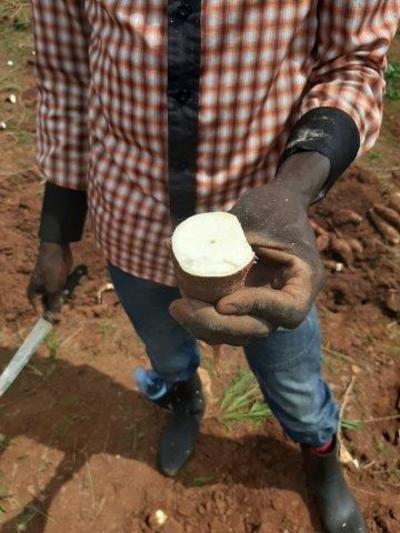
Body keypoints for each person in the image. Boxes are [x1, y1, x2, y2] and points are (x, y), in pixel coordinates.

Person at [28, 2, 399, 532]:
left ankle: (318, 452)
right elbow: (66, 75)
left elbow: (353, 64)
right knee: (164, 348)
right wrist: (56, 231)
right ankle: (185, 398)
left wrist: (292, 191)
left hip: (262, 236)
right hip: (133, 223)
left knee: (293, 376)